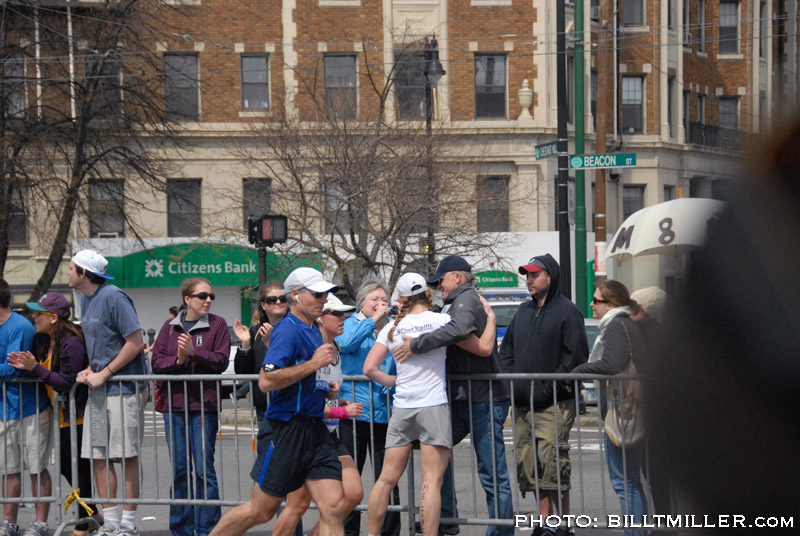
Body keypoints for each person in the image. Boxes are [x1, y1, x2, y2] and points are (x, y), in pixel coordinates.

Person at [208, 267, 346, 536]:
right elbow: (266, 381)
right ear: (295, 295)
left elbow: (305, 375)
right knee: (262, 510)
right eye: (317, 294)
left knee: (334, 506)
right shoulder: (287, 330)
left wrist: (323, 389)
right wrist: (313, 364)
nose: (323, 300)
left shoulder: (315, 329)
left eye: (325, 294)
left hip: (315, 430)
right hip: (286, 429)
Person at [365, 273, 498, 536]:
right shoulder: (442, 321)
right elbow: (483, 348)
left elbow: (369, 368)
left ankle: (371, 534)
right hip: (433, 405)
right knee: (432, 482)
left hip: (403, 406)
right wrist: (491, 319)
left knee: (386, 479)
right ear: (427, 293)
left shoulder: (391, 328)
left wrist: (395, 382)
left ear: (401, 298)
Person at [392, 256, 513, 536]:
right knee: (436, 453)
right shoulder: (455, 302)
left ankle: (500, 531)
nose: (438, 287)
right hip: (464, 398)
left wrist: (417, 344)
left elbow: (459, 330)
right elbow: (460, 334)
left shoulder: (465, 298)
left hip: (483, 399)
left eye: (440, 281)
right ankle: (445, 519)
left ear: (457, 277)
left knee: (492, 472)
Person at [498, 254, 588, 536]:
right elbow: (506, 353)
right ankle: (545, 522)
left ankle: (564, 526)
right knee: (531, 466)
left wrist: (547, 389)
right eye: (527, 275)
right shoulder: (523, 311)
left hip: (553, 404)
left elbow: (575, 358)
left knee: (553, 464)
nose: (529, 280)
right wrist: (514, 386)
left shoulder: (568, 312)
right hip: (522, 404)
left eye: (535, 274)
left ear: (550, 276)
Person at [70, 250, 148, 536]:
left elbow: (135, 342)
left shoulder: (114, 297)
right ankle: (111, 523)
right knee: (98, 456)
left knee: (126, 456)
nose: (67, 272)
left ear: (84, 273)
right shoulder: (86, 300)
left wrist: (104, 373)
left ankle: (128, 524)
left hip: (123, 389)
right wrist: (90, 369)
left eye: (71, 268)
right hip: (100, 391)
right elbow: (104, 346)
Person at [272, 294, 364, 536]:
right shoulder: (310, 350)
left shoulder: (335, 349)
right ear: (321, 318)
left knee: (353, 493)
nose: (343, 318)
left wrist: (334, 399)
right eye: (337, 313)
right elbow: (304, 403)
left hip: (327, 434)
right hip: (304, 431)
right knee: (296, 505)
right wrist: (341, 410)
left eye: (345, 313)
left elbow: (320, 395)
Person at [7, 293, 99, 536]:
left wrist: (34, 367)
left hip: (77, 414)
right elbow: (39, 371)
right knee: (68, 468)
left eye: (40, 313)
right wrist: (24, 365)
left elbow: (66, 382)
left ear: (54, 318)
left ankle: (83, 524)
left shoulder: (71, 343)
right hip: (58, 413)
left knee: (78, 469)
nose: (35, 317)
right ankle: (93, 515)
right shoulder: (42, 339)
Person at [151, 278, 231, 536]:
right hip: (174, 408)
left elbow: (221, 361)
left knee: (204, 470)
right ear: (187, 299)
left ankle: (208, 529)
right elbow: (156, 363)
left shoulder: (218, 324)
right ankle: (181, 529)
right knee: (180, 470)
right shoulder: (169, 327)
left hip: (204, 406)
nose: (208, 300)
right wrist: (178, 360)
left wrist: (195, 354)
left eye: (211, 296)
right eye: (202, 296)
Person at [571, 281, 646, 536]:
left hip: (624, 414)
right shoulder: (625, 323)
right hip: (631, 411)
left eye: (596, 300)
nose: (592, 304)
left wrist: (580, 370)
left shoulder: (616, 325)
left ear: (611, 304)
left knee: (625, 482)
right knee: (631, 481)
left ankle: (635, 533)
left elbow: (611, 364)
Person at [337, 278, 399, 536]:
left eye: (384, 300)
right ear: (362, 302)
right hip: (355, 410)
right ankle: (349, 531)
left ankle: (389, 531)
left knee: (388, 477)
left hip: (385, 412)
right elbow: (346, 343)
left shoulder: (393, 326)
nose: (380, 304)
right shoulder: (350, 323)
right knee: (351, 476)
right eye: (374, 299)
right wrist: (373, 321)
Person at [0, 279, 50, 536]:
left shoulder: (19, 326)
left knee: (36, 468)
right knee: (8, 469)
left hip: (30, 407)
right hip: (4, 409)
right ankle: (9, 522)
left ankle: (40, 523)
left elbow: (14, 368)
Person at [627, 286, 670, 515]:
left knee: (655, 475)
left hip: (655, 414)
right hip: (647, 411)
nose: (630, 312)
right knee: (651, 475)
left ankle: (664, 522)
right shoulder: (643, 331)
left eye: (635, 308)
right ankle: (663, 521)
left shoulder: (653, 334)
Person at [231, 280, 289, 428]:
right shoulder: (255, 331)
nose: (278, 302)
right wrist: (245, 344)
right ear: (263, 305)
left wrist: (270, 344)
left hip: (290, 402)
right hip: (264, 404)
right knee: (266, 443)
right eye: (272, 300)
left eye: (282, 299)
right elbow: (243, 372)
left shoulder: (296, 328)